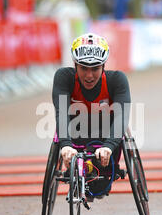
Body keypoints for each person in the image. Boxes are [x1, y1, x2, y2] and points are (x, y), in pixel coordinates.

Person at [52, 33, 131, 199]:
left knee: (101, 186)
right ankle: (80, 169)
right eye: (83, 68)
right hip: (75, 131)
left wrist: (109, 146)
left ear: (103, 65)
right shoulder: (63, 77)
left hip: (105, 133)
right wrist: (65, 145)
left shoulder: (117, 80)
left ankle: (93, 170)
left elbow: (121, 117)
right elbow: (61, 112)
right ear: (75, 65)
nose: (89, 76)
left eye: (95, 68)